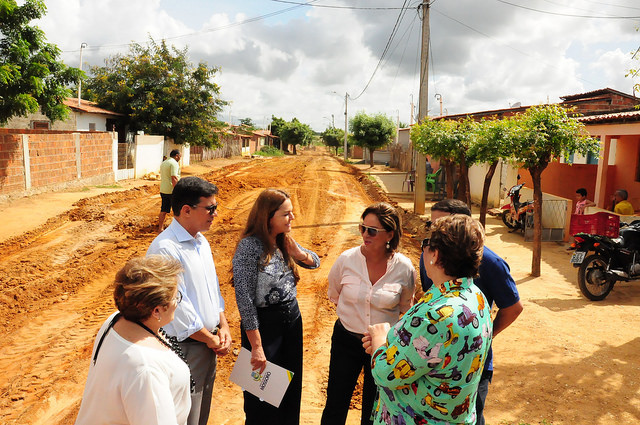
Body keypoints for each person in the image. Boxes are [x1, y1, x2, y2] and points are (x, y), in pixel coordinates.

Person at [364, 214, 492, 424]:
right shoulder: (475, 296)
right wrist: (391, 342)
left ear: (436, 254)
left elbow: (385, 373)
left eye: (426, 244)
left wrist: (380, 340)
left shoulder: (435, 316)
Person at [419, 199, 522, 425]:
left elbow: (513, 307)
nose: (433, 235)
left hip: (470, 365)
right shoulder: (429, 254)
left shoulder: (492, 262)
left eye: (441, 226)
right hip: (434, 364)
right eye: (431, 226)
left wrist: (485, 335)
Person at [147, 176, 231, 425]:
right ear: (186, 210)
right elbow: (178, 305)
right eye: (210, 208)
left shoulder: (200, 241)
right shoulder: (165, 248)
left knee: (201, 411)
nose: (215, 214)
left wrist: (223, 325)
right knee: (185, 415)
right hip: (185, 348)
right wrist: (210, 338)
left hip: (207, 343)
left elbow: (212, 288)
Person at [321, 202, 415, 425]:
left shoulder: (404, 268)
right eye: (362, 228)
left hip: (383, 347)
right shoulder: (346, 260)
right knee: (336, 402)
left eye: (372, 230)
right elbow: (334, 294)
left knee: (375, 408)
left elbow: (406, 306)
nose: (365, 234)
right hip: (346, 340)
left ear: (390, 234)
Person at [232, 188, 320, 425]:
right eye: (286, 214)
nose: (292, 218)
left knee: (290, 390)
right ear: (268, 216)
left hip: (291, 322)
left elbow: (315, 262)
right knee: (263, 395)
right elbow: (244, 299)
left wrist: (297, 253)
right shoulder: (249, 247)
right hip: (264, 328)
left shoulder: (283, 240)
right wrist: (256, 346)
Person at [75, 255, 191, 425]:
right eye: (176, 297)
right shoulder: (147, 368)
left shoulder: (113, 321)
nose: (176, 303)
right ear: (156, 311)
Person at [157, 149, 181, 233]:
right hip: (171, 190)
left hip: (163, 189)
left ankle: (160, 228)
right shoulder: (174, 163)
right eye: (180, 156)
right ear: (177, 156)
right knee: (177, 211)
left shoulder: (164, 163)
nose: (180, 158)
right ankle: (177, 229)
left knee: (163, 210)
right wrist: (177, 190)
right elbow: (174, 177)